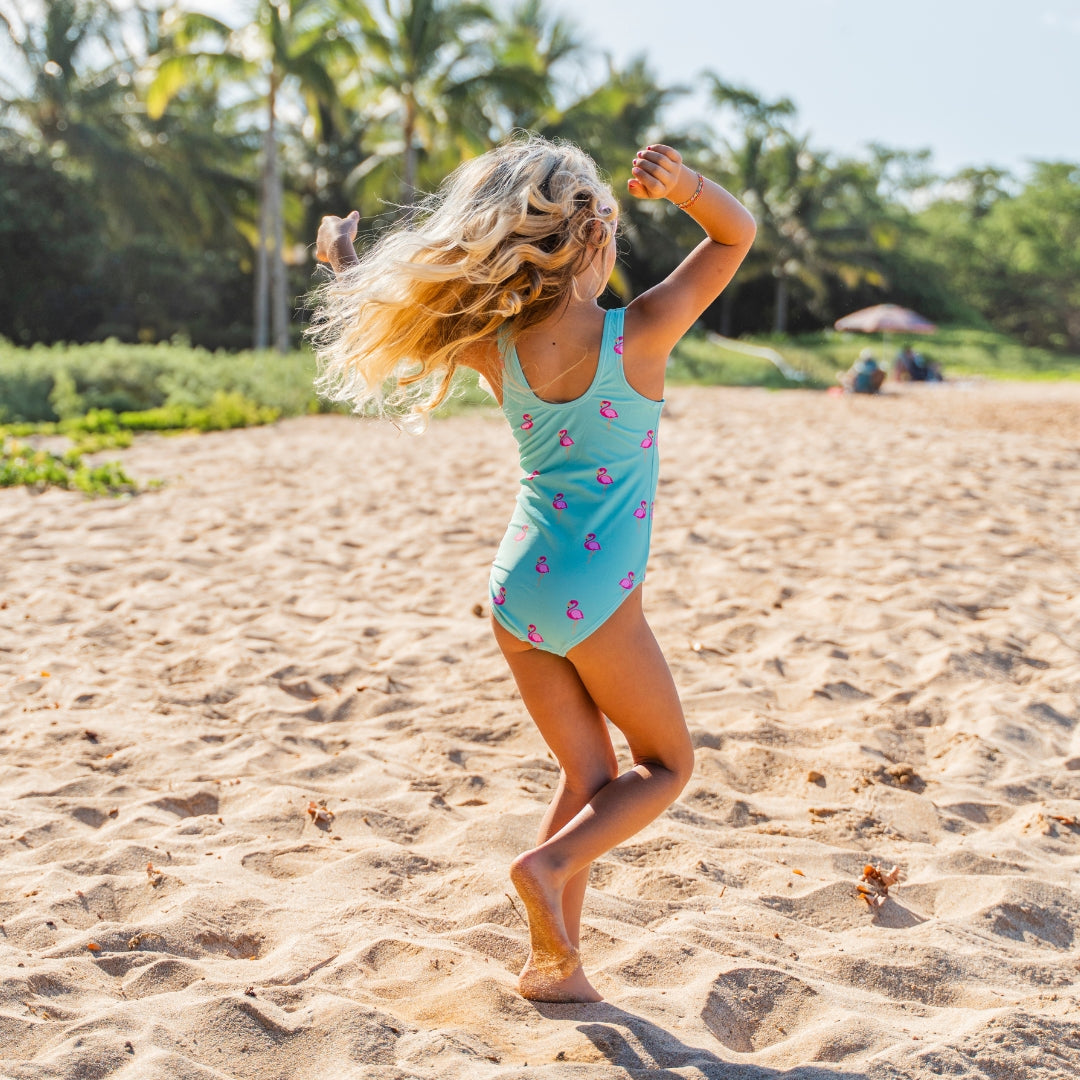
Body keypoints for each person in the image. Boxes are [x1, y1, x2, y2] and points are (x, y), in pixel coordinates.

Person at [309, 135, 756, 1003]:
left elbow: (385, 307)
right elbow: (734, 238)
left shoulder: (496, 344)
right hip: (598, 600)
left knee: (589, 779)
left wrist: (345, 257)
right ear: (593, 235)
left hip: (517, 593)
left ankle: (556, 964)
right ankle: (546, 866)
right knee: (665, 765)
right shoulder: (643, 332)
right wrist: (690, 187)